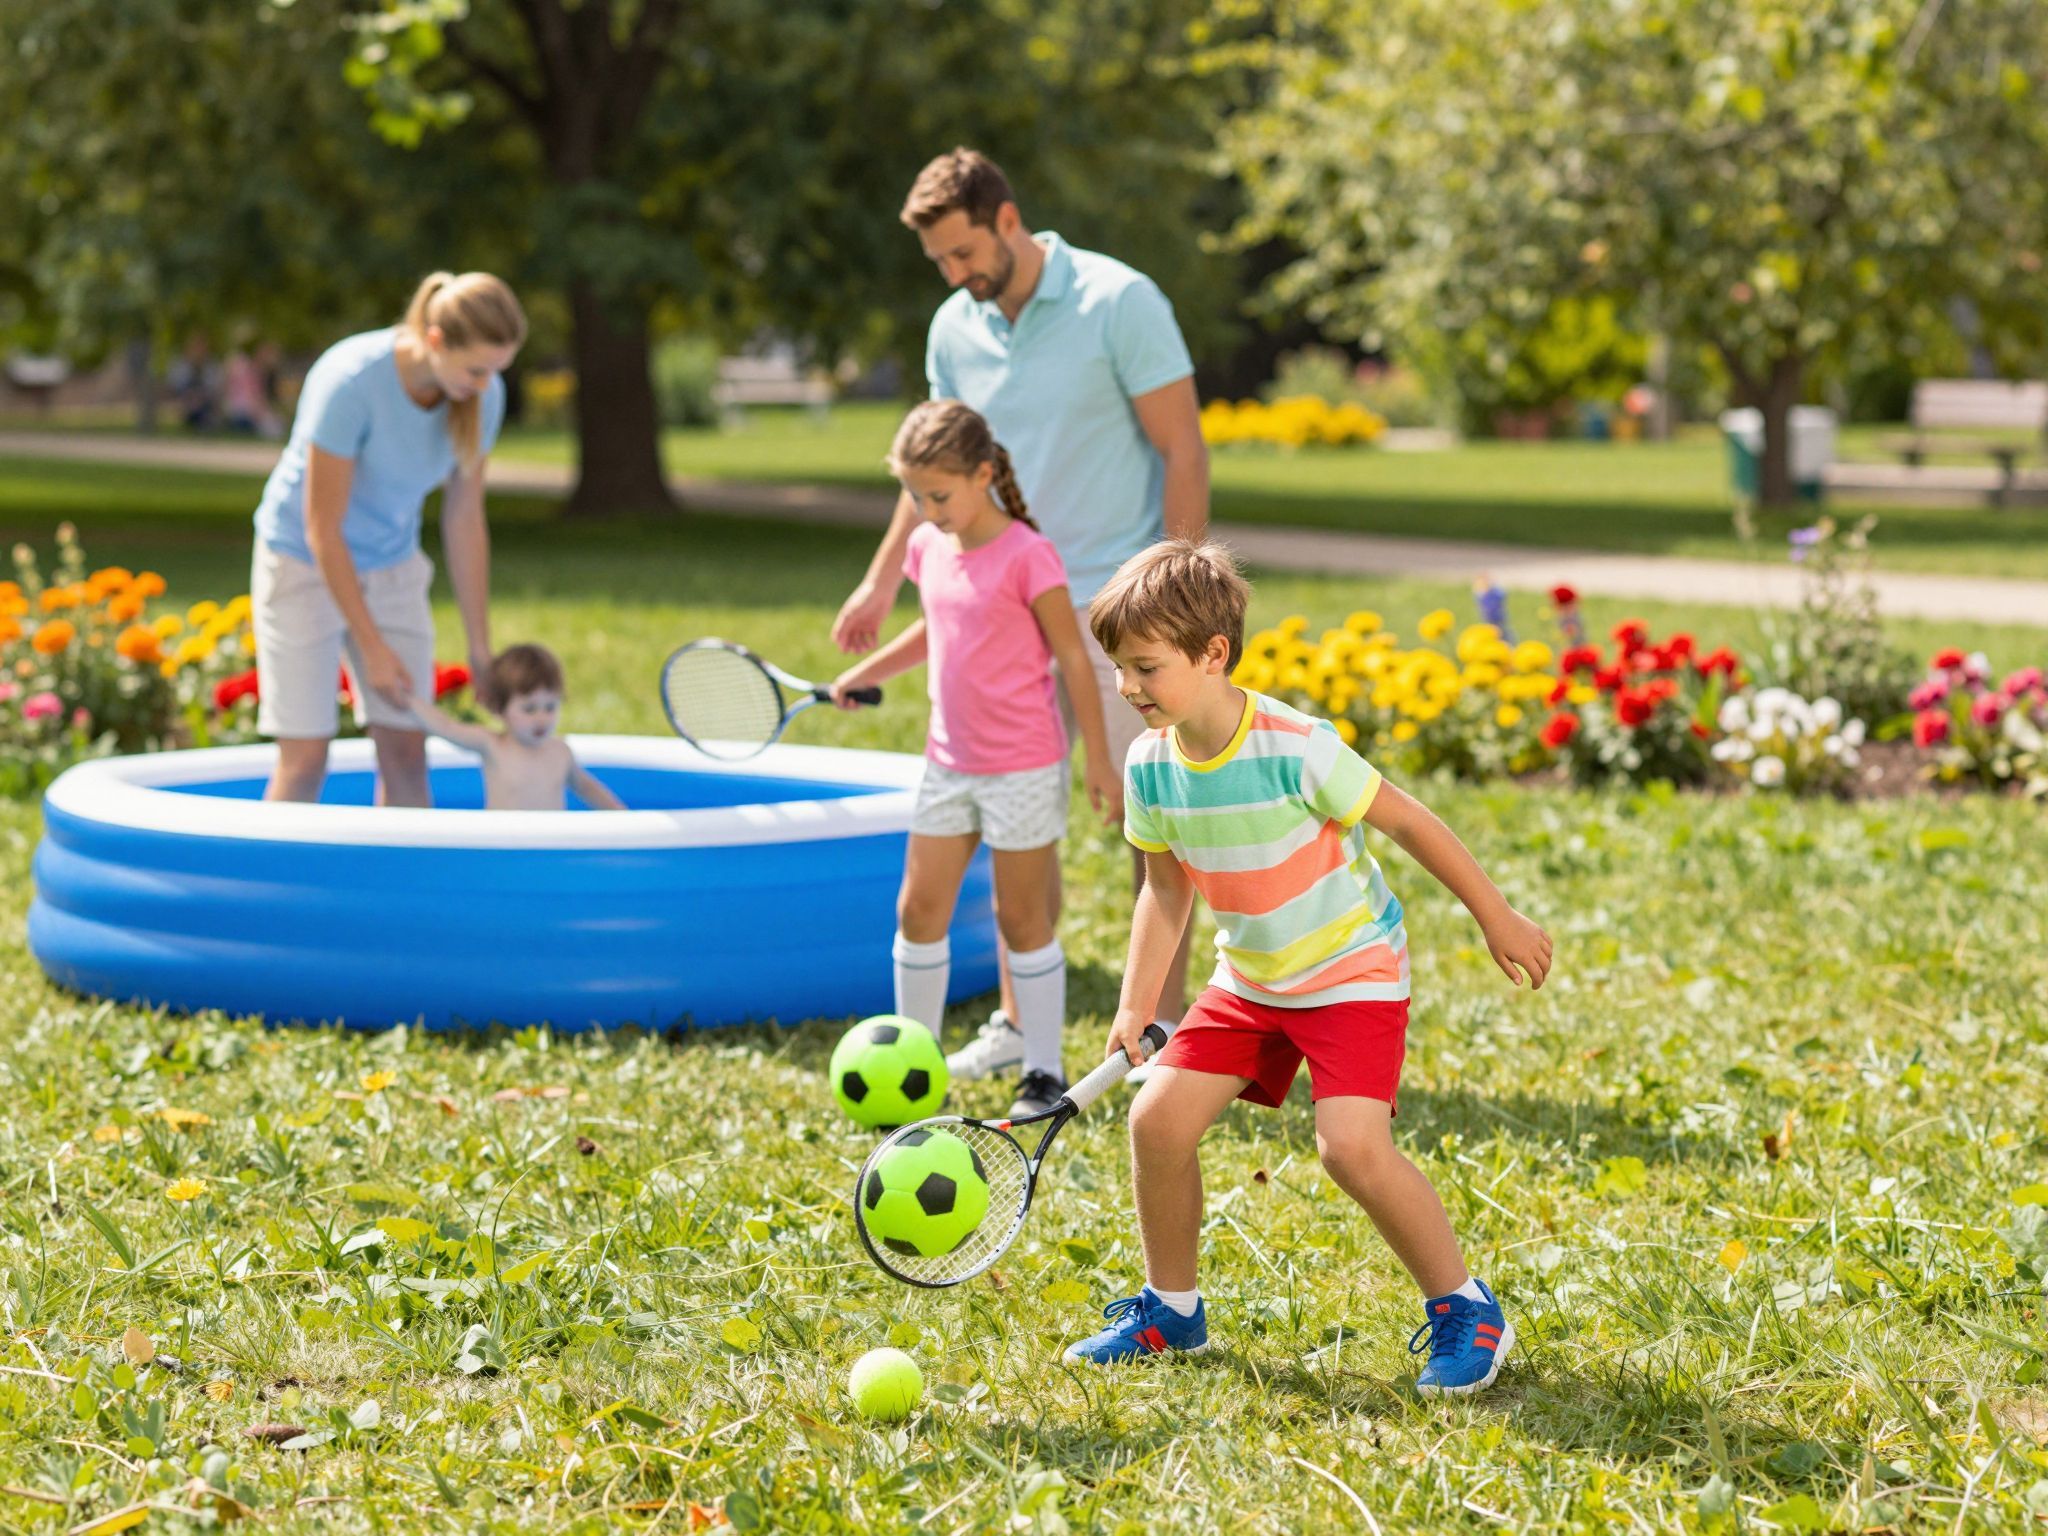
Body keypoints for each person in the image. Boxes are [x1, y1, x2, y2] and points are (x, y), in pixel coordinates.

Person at [1064, 539, 1553, 1394]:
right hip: (1250, 981)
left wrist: (1495, 913)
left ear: (1214, 655)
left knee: (1351, 1151)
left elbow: (1408, 822)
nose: (1128, 687)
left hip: (1349, 974)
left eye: (1145, 666)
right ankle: (1172, 1312)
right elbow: (1165, 892)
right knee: (1157, 1125)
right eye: (1119, 669)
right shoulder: (1153, 765)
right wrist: (1137, 1001)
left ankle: (1468, 1309)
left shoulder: (1295, 745)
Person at [833, 148, 1210, 1087]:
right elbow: (935, 466)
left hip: (1115, 604)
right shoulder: (954, 328)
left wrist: (1172, 589)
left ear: (1006, 220)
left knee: (1149, 815)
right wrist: (883, 583)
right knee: (1015, 820)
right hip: (999, 610)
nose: (955, 276)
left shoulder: (1119, 302)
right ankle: (1012, 1020)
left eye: (963, 252)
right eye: (940, 263)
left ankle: (1161, 1032)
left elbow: (1183, 449)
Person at [829, 401, 1120, 1116]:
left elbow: (1074, 664)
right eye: (917, 497)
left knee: (1021, 919)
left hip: (1023, 765)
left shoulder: (1028, 555)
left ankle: (1043, 1073)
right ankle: (914, 1062)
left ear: (983, 474)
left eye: (940, 495)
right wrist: (868, 674)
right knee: (918, 908)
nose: (929, 512)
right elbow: (937, 628)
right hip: (947, 764)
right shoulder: (930, 548)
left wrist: (1101, 762)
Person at [250, 271, 525, 807]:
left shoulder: (481, 395)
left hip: (392, 563)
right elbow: (322, 529)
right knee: (305, 757)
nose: (487, 384)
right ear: (437, 339)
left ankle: (405, 890)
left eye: (498, 370)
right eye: (477, 369)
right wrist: (372, 648)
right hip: (303, 561)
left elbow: (465, 519)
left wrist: (479, 649)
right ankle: (265, 889)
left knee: (405, 749)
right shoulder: (351, 381)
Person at [409, 644, 624, 812]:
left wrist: (622, 815)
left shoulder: (560, 752)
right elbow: (447, 727)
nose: (541, 718)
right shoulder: (492, 746)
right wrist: (408, 700)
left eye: (550, 707)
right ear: (499, 709)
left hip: (548, 852)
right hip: (504, 850)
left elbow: (587, 787)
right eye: (529, 709)